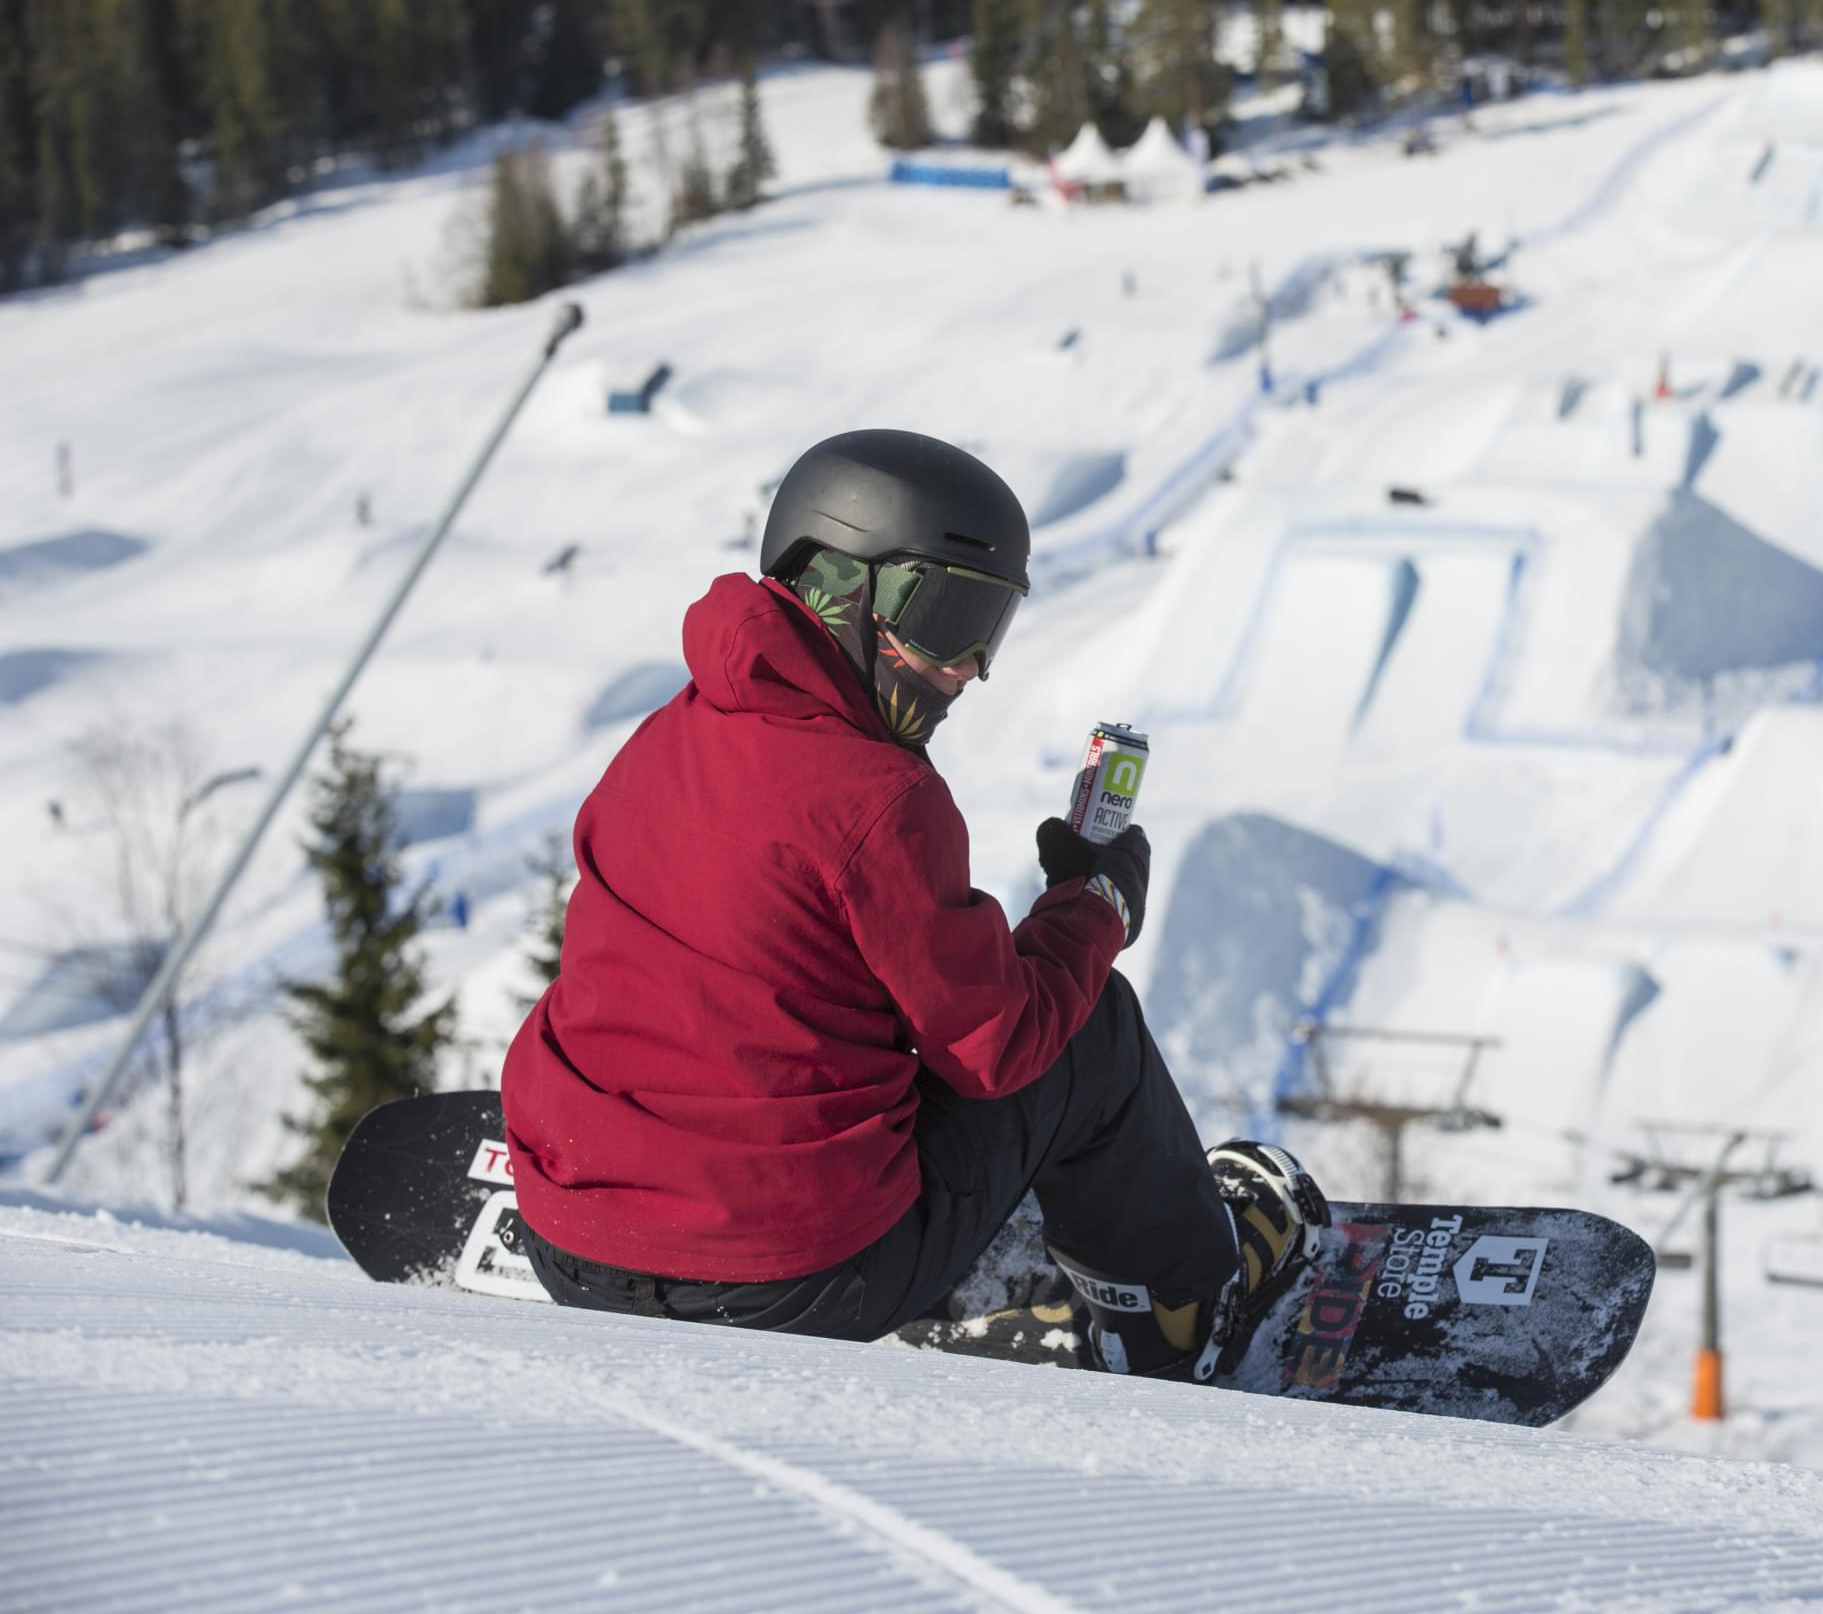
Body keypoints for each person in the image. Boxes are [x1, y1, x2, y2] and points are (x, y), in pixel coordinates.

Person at [500, 429, 1322, 1380]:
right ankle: (1179, 1309)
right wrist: (1095, 904)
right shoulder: (878, 798)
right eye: (946, 615)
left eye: (989, 626)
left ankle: (639, 1189)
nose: (968, 666)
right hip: (790, 1285)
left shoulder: (667, 736)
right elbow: (998, 1045)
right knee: (1088, 1021)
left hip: (572, 1240)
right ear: (840, 587)